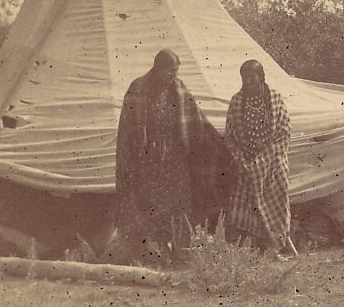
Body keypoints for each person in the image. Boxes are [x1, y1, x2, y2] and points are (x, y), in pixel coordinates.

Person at [115, 49, 222, 262]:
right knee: (149, 205)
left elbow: (196, 119)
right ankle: (153, 252)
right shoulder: (138, 88)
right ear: (158, 68)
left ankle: (180, 251)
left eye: (176, 70)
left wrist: (215, 142)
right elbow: (127, 128)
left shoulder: (179, 89)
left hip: (175, 160)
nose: (173, 75)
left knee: (179, 205)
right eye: (169, 70)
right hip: (148, 160)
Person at [224, 59, 297, 258]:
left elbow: (284, 132)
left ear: (261, 77)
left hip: (273, 162)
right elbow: (230, 136)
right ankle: (255, 246)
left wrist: (266, 160)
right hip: (246, 163)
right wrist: (244, 161)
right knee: (243, 196)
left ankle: (275, 244)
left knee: (277, 195)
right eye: (245, 79)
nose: (249, 83)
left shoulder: (274, 99)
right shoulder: (237, 101)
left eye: (253, 79)